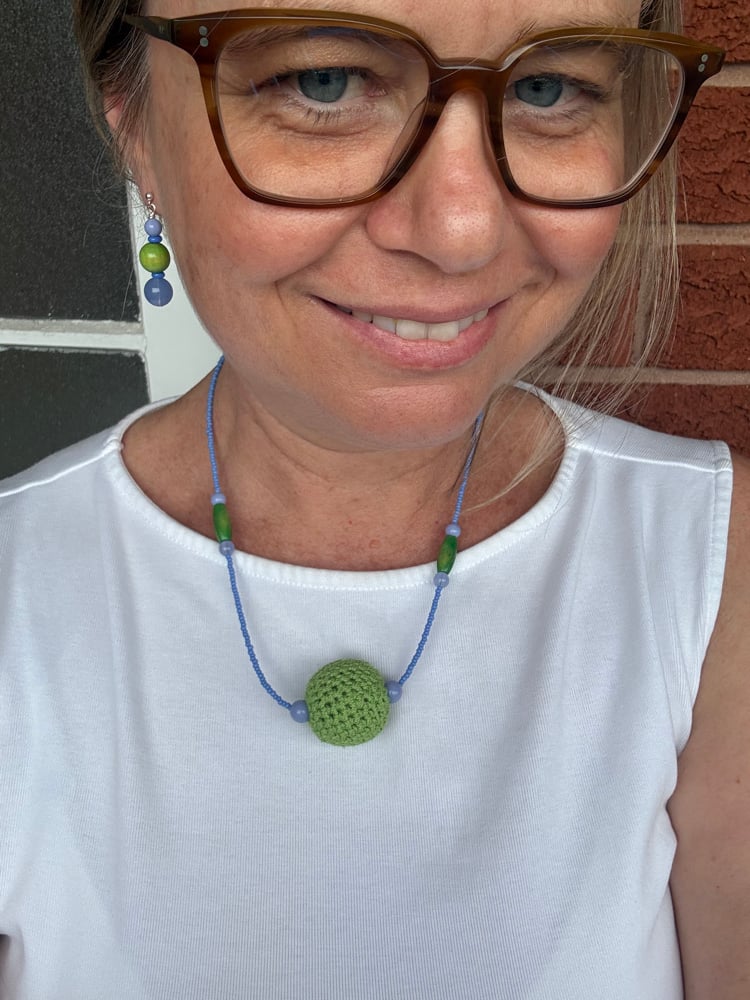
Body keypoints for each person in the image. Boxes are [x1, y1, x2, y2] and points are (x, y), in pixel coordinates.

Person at [0, 0, 748, 996]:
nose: (461, 230)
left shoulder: (717, 575)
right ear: (131, 119)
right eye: (325, 81)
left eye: (547, 87)